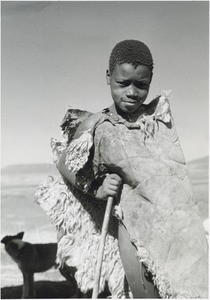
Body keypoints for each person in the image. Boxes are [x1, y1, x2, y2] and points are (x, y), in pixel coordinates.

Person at [36, 40, 208, 298]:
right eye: (123, 83)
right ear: (108, 77)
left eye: (141, 85)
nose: (132, 92)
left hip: (178, 229)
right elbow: (65, 162)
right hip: (137, 232)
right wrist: (96, 188)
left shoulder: (158, 120)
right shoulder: (99, 125)